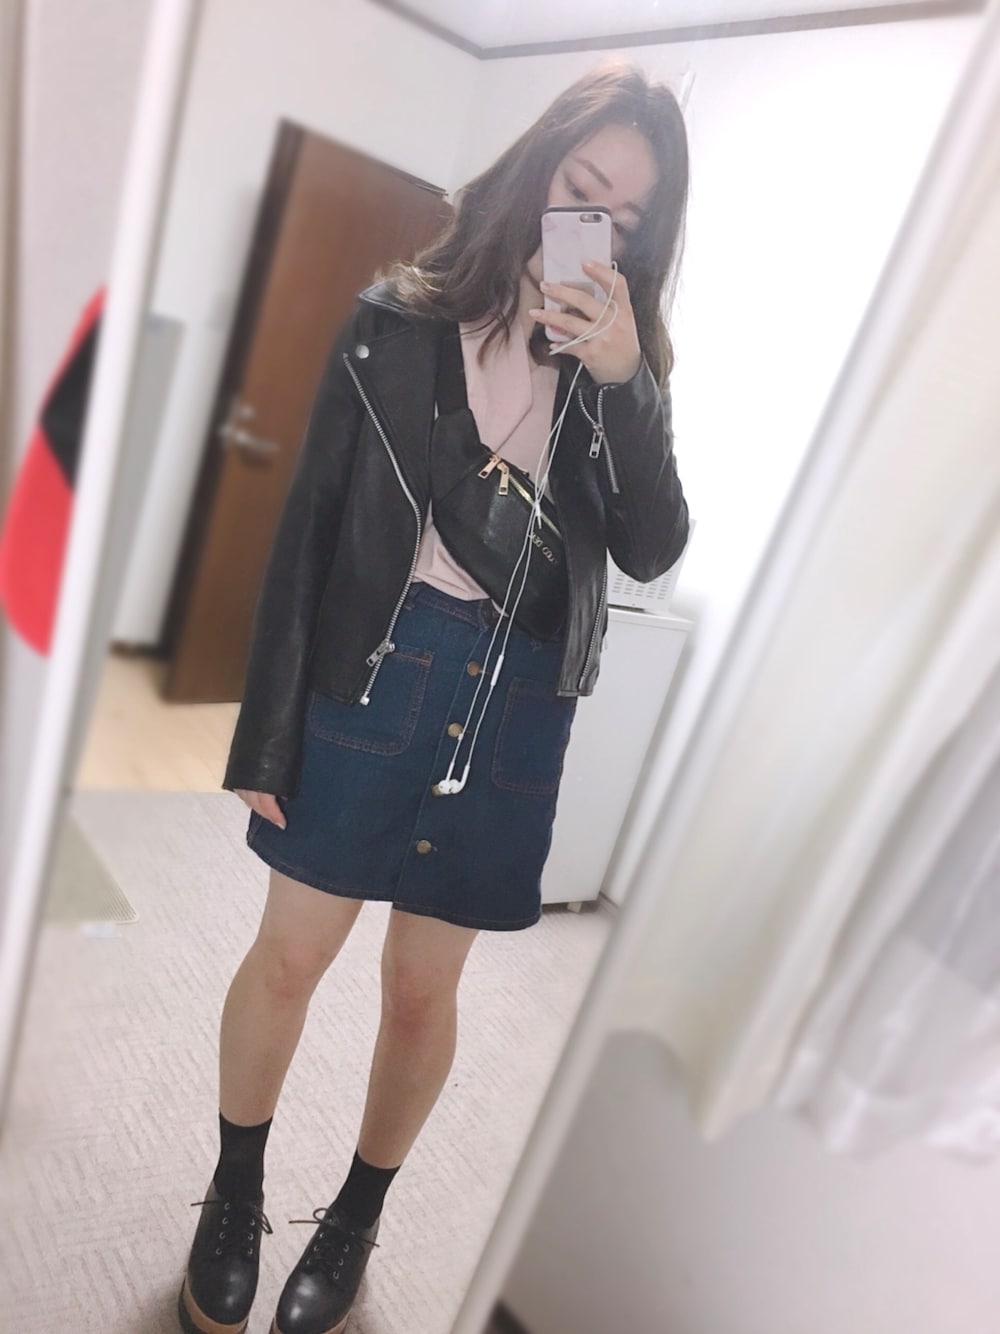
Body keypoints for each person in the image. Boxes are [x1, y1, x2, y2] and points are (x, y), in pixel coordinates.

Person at [178, 59, 689, 1334]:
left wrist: (624, 380)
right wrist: (266, 732)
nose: (597, 223)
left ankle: (355, 1215)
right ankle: (234, 1190)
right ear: (540, 162)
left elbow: (652, 545)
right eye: (584, 184)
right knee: (290, 956)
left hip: (512, 701)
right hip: (378, 666)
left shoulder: (621, 364)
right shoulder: (394, 320)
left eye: (628, 216)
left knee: (420, 991)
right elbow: (308, 531)